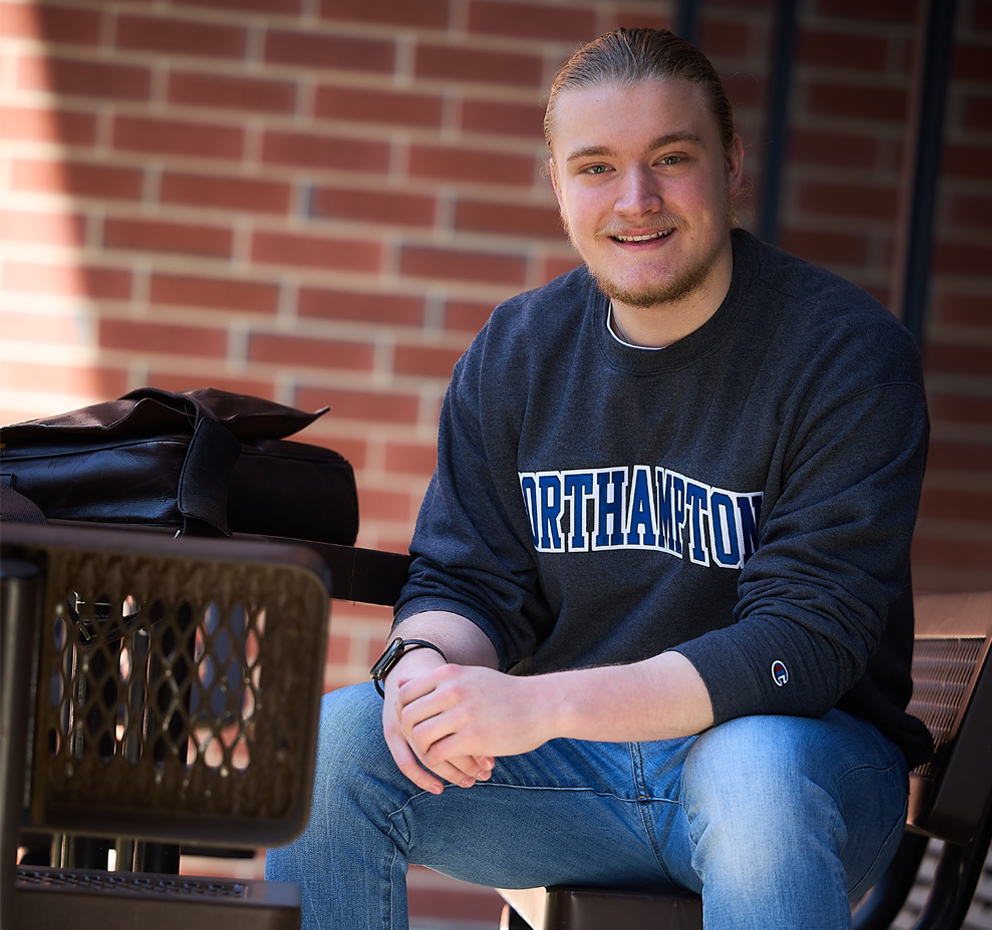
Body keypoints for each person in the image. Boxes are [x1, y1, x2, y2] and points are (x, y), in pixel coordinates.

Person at [266, 27, 932, 930]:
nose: (637, 199)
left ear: (730, 162)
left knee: (753, 771)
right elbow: (467, 579)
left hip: (799, 773)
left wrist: (536, 705)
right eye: (595, 167)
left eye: (671, 157)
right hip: (575, 782)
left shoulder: (842, 354)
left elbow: (805, 641)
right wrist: (423, 671)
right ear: (556, 185)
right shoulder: (519, 352)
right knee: (330, 749)